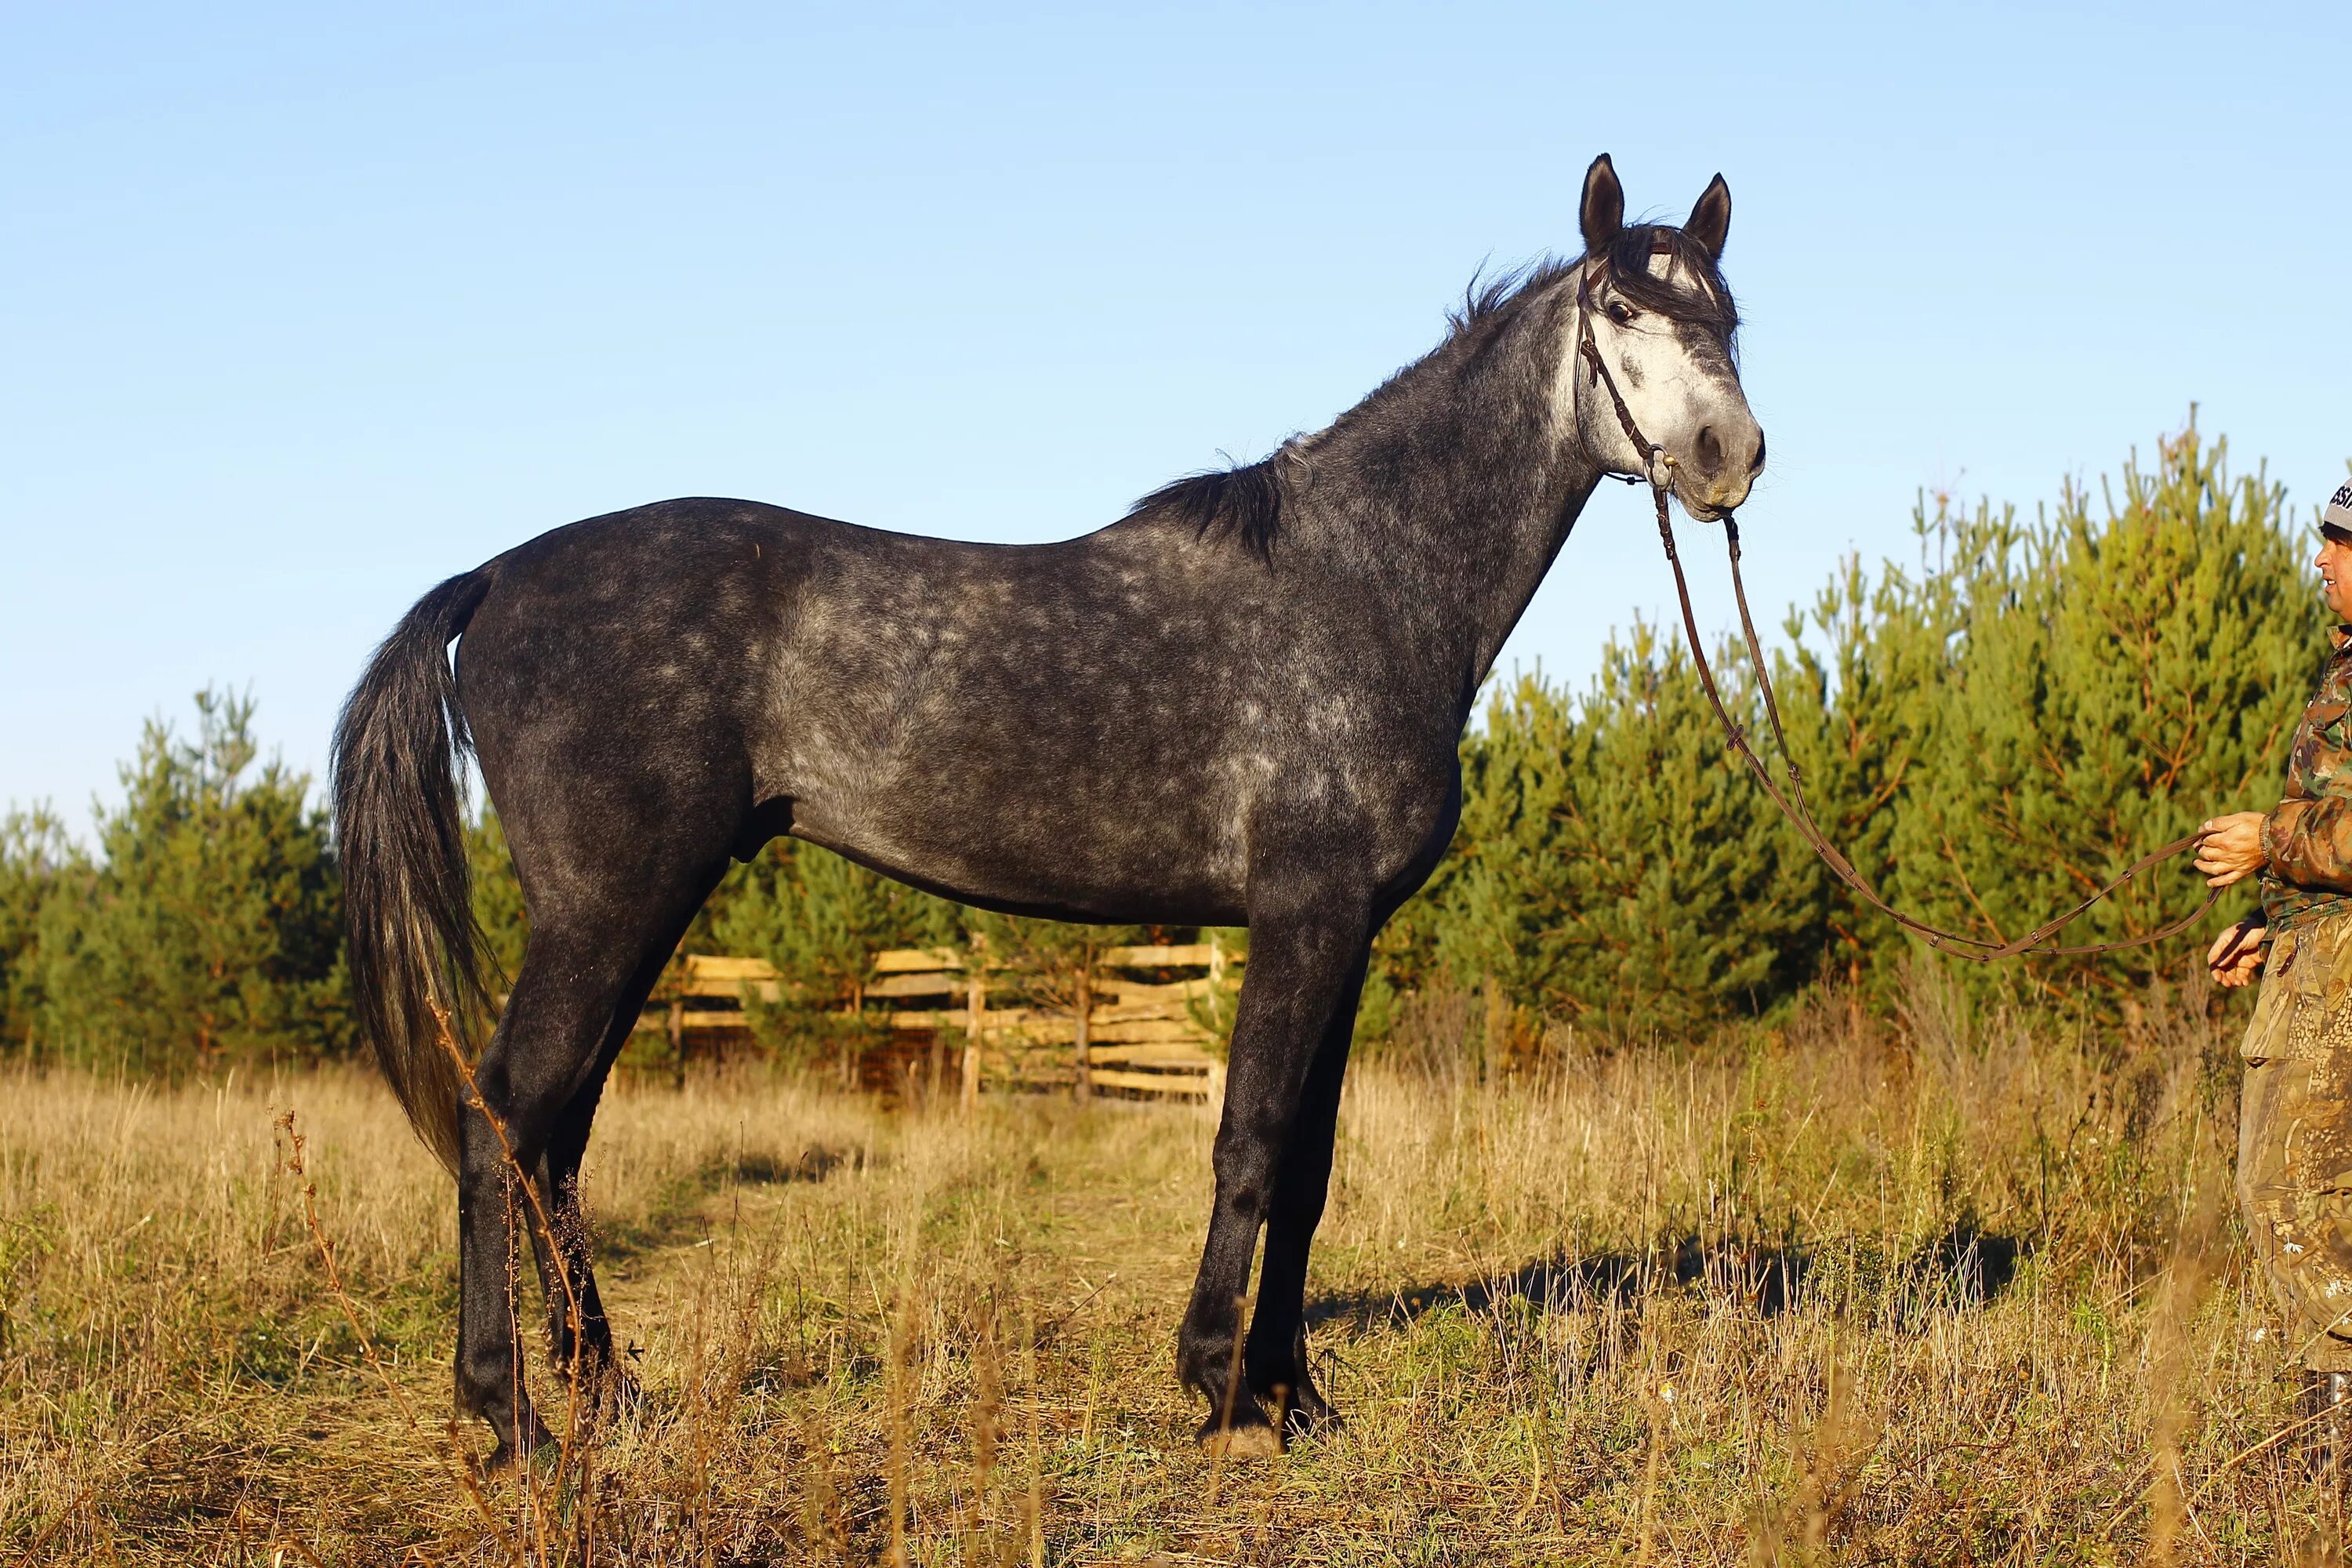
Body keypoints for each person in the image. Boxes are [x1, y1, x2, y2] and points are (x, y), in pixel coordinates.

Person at [2201, 478, 2352, 1468]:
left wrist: (2273, 838)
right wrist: (2274, 925)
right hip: (2319, 956)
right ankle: (2327, 1462)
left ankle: (2335, 1450)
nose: (2321, 560)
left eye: (2339, 545)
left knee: (2286, 1192)